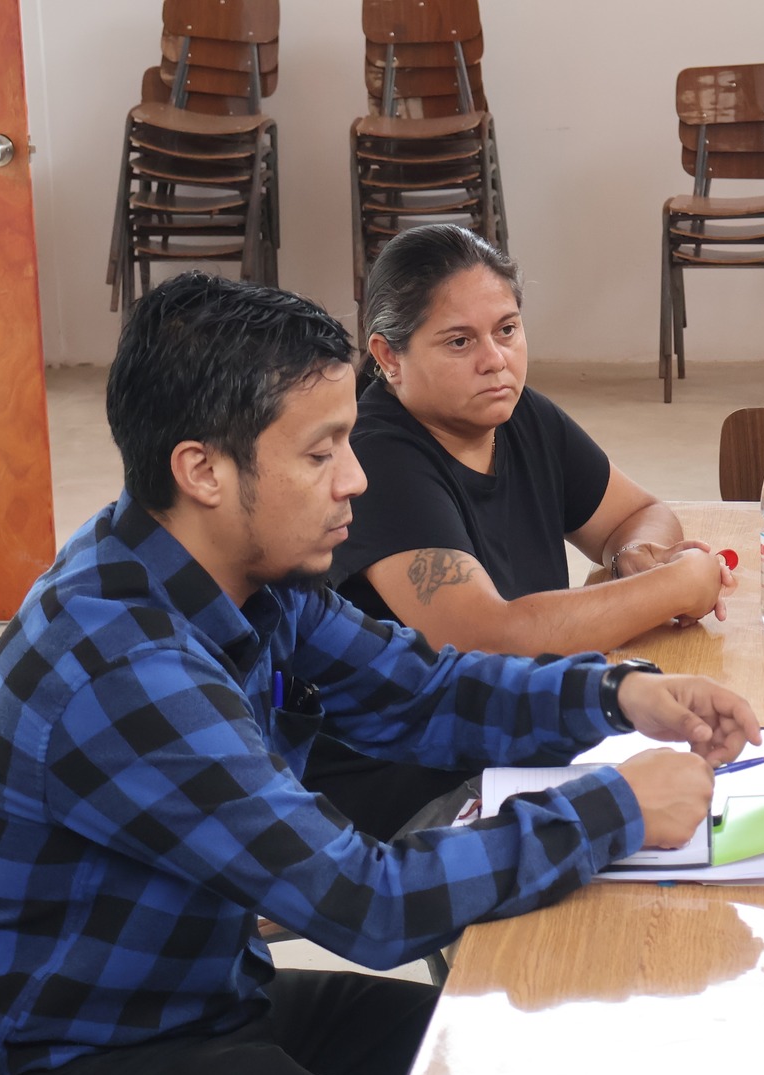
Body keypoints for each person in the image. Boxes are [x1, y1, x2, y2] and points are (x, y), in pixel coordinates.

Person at [0, 272, 760, 1075]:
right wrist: (617, 806)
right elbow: (366, 905)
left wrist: (618, 694)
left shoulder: (233, 570)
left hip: (190, 1007)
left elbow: (418, 689)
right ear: (204, 471)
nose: (354, 480)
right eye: (320, 452)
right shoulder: (122, 662)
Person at [314, 225, 735, 835]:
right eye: (460, 342)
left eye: (507, 330)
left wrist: (636, 554)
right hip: (413, 797)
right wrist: (679, 583)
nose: (496, 360)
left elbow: (633, 513)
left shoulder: (515, 413)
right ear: (387, 358)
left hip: (521, 751)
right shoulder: (376, 457)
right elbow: (486, 638)